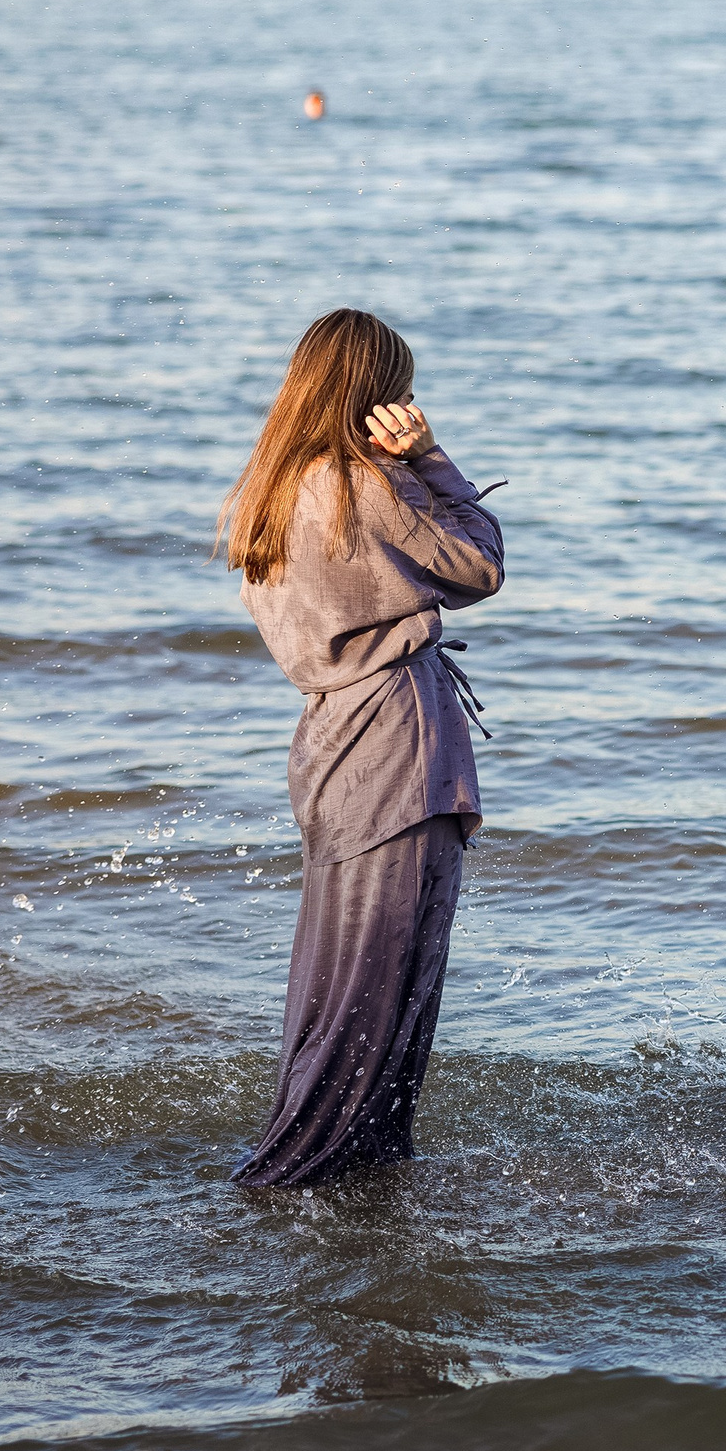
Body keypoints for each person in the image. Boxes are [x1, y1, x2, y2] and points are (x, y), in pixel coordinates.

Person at [216, 308, 506, 1186]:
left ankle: (348, 1167)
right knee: (385, 990)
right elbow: (480, 563)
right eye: (403, 395)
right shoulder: (361, 484)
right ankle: (305, 1170)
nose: (410, 410)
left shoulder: (268, 488)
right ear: (371, 398)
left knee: (340, 985)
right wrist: (429, 456)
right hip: (397, 746)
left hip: (334, 738)